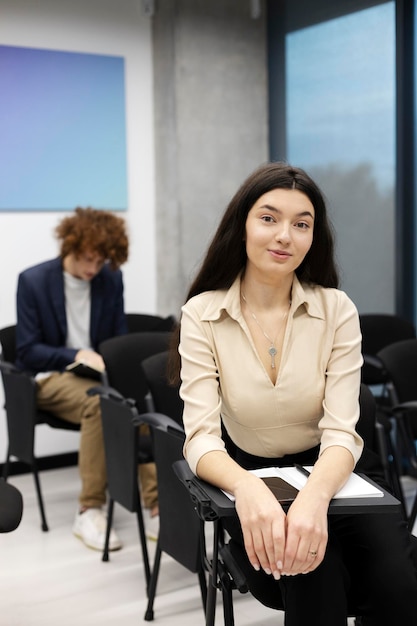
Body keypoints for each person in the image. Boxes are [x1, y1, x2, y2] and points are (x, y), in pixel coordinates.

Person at [172, 163, 417, 625]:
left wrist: (312, 500)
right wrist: (248, 488)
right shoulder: (202, 314)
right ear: (241, 225)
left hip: (338, 470)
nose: (285, 235)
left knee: (396, 586)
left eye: (301, 224)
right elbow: (201, 440)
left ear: (313, 237)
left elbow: (342, 433)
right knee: (312, 576)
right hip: (253, 475)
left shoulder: (336, 308)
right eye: (269, 218)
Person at [16, 207, 158, 550]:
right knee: (100, 403)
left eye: (101, 261)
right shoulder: (33, 281)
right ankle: (89, 508)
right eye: (86, 259)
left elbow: (117, 339)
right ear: (69, 246)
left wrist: (110, 363)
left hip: (98, 375)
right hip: (53, 377)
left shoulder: (110, 279)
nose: (93, 269)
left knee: (135, 401)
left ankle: (156, 507)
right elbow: (26, 351)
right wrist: (75, 355)